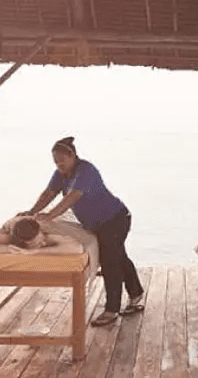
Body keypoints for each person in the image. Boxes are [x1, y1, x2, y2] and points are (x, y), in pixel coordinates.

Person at [21, 136, 143, 327]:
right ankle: (136, 295)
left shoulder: (86, 170)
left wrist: (50, 216)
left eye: (62, 160)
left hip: (116, 219)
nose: (59, 164)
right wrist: (32, 211)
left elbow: (72, 197)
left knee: (110, 260)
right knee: (118, 256)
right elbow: (49, 193)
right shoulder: (60, 174)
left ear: (73, 156)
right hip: (97, 224)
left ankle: (112, 309)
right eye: (55, 161)